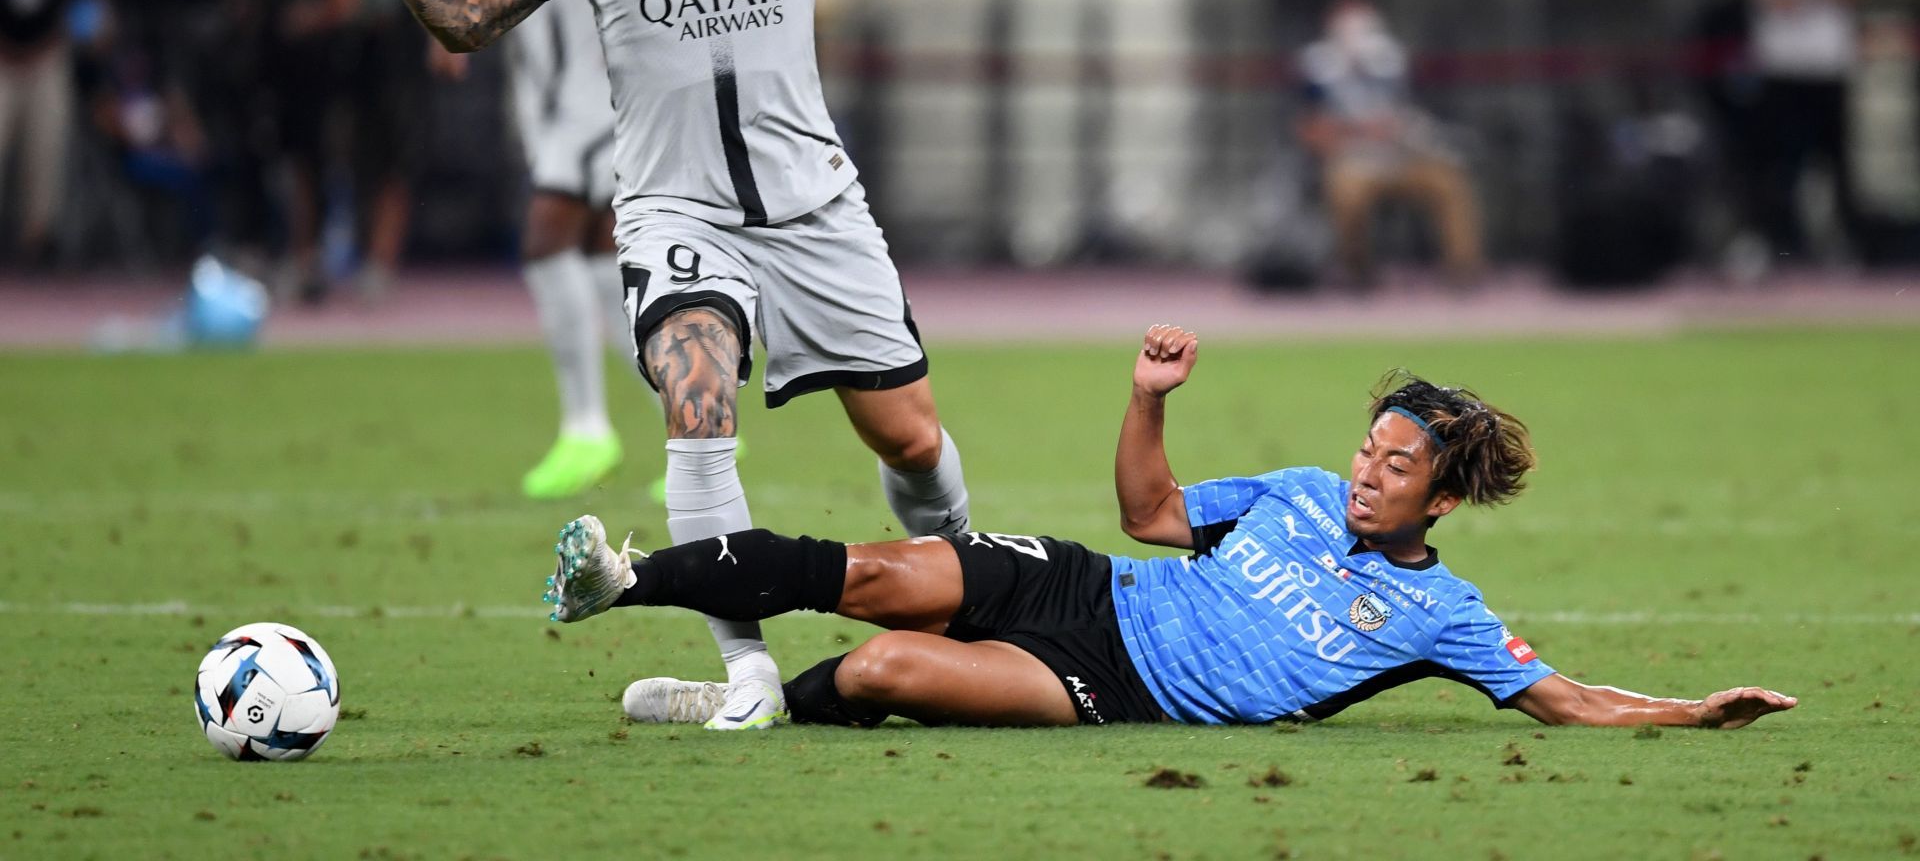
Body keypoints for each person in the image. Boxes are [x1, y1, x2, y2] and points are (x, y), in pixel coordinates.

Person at [336, 0, 1228, 729]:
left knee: (908, 440)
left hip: (818, 214)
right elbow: (473, 17)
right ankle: (749, 675)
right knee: (696, 401)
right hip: (677, 212)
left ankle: (962, 596)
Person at [546, 324, 1798, 733]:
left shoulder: (1444, 615)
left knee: (878, 668)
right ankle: (627, 576)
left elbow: (1567, 698)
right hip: (1088, 586)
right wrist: (1148, 401)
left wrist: (1690, 713)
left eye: (1395, 464)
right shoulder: (1301, 487)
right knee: (869, 575)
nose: (1366, 472)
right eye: (1369, 447)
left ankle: (741, 708)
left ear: (1440, 499)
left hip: (1111, 684)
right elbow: (1149, 513)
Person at [433, 0, 645, 496]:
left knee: (545, 234)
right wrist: (439, 36)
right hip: (538, 92)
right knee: (597, 261)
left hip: (614, 80)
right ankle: (688, 414)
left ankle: (586, 429)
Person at [198, 0, 366, 301]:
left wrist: (315, 16)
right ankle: (253, 252)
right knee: (251, 152)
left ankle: (306, 256)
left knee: (309, 159)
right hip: (262, 58)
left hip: (315, 62)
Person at [1735, 0, 1869, 267]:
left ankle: (1845, 247)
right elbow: (1775, 0)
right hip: (1783, 70)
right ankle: (1777, 247)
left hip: (1829, 69)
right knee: (1780, 166)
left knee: (1837, 165)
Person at [1297, 0, 1483, 289]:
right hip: (1352, 161)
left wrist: (1401, 130)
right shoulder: (1317, 68)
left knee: (1449, 184)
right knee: (1346, 193)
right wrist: (1356, 132)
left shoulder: (1392, 62)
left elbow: (1415, 116)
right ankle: (1357, 274)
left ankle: (1463, 273)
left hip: (1401, 157)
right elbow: (1309, 130)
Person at [0, 0, 95, 265]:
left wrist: (78, 39)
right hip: (2, 57)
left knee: (47, 148)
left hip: (48, 54)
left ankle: (39, 241)